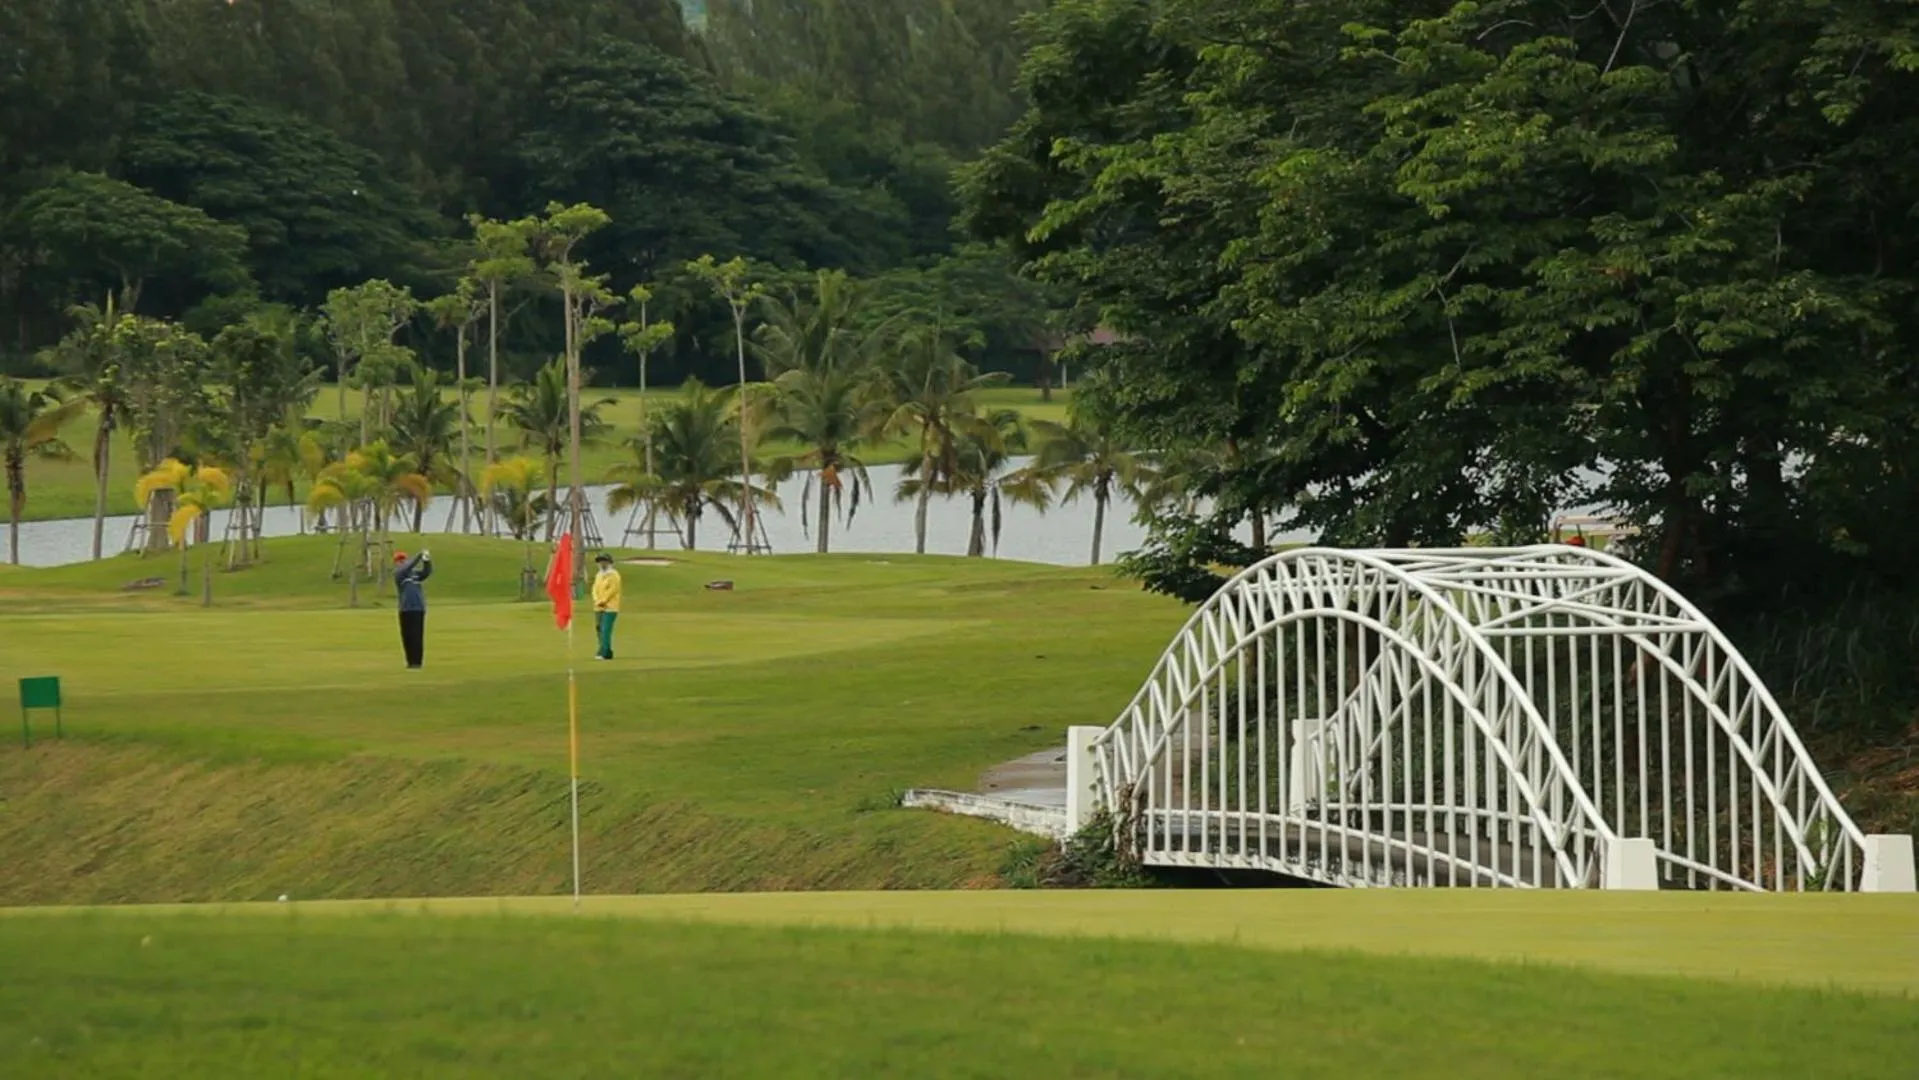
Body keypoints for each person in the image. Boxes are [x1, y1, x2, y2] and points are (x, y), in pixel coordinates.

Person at [393, 548, 433, 669]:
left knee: (417, 636)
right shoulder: (399, 574)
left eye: (403, 559)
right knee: (407, 636)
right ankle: (410, 661)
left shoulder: (415, 575)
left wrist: (427, 561)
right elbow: (408, 567)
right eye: (399, 560)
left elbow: (426, 572)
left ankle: (417, 662)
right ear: (396, 563)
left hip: (418, 608)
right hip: (405, 608)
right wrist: (419, 555)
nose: (402, 562)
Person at [591, 552, 622, 660]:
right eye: (600, 562)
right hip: (598, 606)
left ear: (609, 562)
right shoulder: (599, 575)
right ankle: (607, 651)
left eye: (604, 561)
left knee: (605, 629)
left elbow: (613, 590)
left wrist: (603, 600)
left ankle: (603, 652)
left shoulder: (614, 575)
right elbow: (594, 588)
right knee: (599, 629)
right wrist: (596, 600)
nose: (602, 564)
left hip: (610, 607)